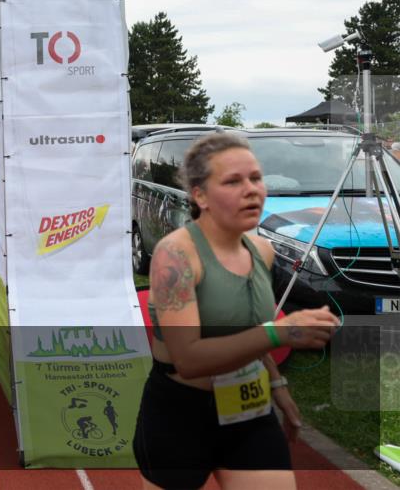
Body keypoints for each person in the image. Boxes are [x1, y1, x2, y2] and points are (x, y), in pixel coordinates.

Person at [134, 132, 340, 490]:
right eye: (233, 181)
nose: (252, 190)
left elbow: (249, 330)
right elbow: (190, 359)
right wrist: (281, 331)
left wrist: (278, 385)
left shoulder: (263, 252)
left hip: (248, 407)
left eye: (256, 178)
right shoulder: (176, 255)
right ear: (200, 195)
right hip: (180, 414)